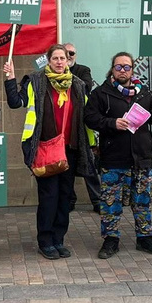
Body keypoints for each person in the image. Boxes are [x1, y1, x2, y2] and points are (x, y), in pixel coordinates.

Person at [84, 52, 152, 259]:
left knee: (142, 201)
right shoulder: (101, 93)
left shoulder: (145, 93)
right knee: (110, 203)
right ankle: (111, 239)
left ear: (133, 69)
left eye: (127, 67)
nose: (123, 70)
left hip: (141, 158)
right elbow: (89, 118)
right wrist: (112, 123)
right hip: (114, 158)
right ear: (112, 69)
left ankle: (145, 237)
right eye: (119, 67)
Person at [20, 44, 95, 260]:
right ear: (49, 60)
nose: (60, 62)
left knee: (65, 197)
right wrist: (9, 78)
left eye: (64, 58)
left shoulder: (78, 85)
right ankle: (45, 241)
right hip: (45, 148)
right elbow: (17, 102)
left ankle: (58, 238)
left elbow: (88, 114)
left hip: (70, 149)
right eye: (56, 58)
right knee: (49, 197)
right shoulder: (37, 81)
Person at [66, 43, 101, 213]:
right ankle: (69, 202)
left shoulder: (83, 70)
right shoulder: (51, 74)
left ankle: (97, 201)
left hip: (82, 128)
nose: (68, 56)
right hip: (64, 129)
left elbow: (85, 87)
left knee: (90, 168)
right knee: (67, 169)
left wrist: (64, 75)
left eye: (71, 53)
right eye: (64, 53)